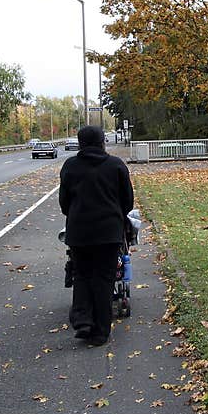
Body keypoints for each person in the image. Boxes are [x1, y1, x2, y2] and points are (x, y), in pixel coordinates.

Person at [59, 125, 135, 346]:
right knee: (104, 279)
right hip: (109, 233)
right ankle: (100, 332)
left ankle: (83, 319)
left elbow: (64, 202)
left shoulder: (70, 166)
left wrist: (75, 213)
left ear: (81, 144)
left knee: (81, 275)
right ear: (103, 142)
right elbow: (127, 200)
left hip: (79, 232)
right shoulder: (116, 166)